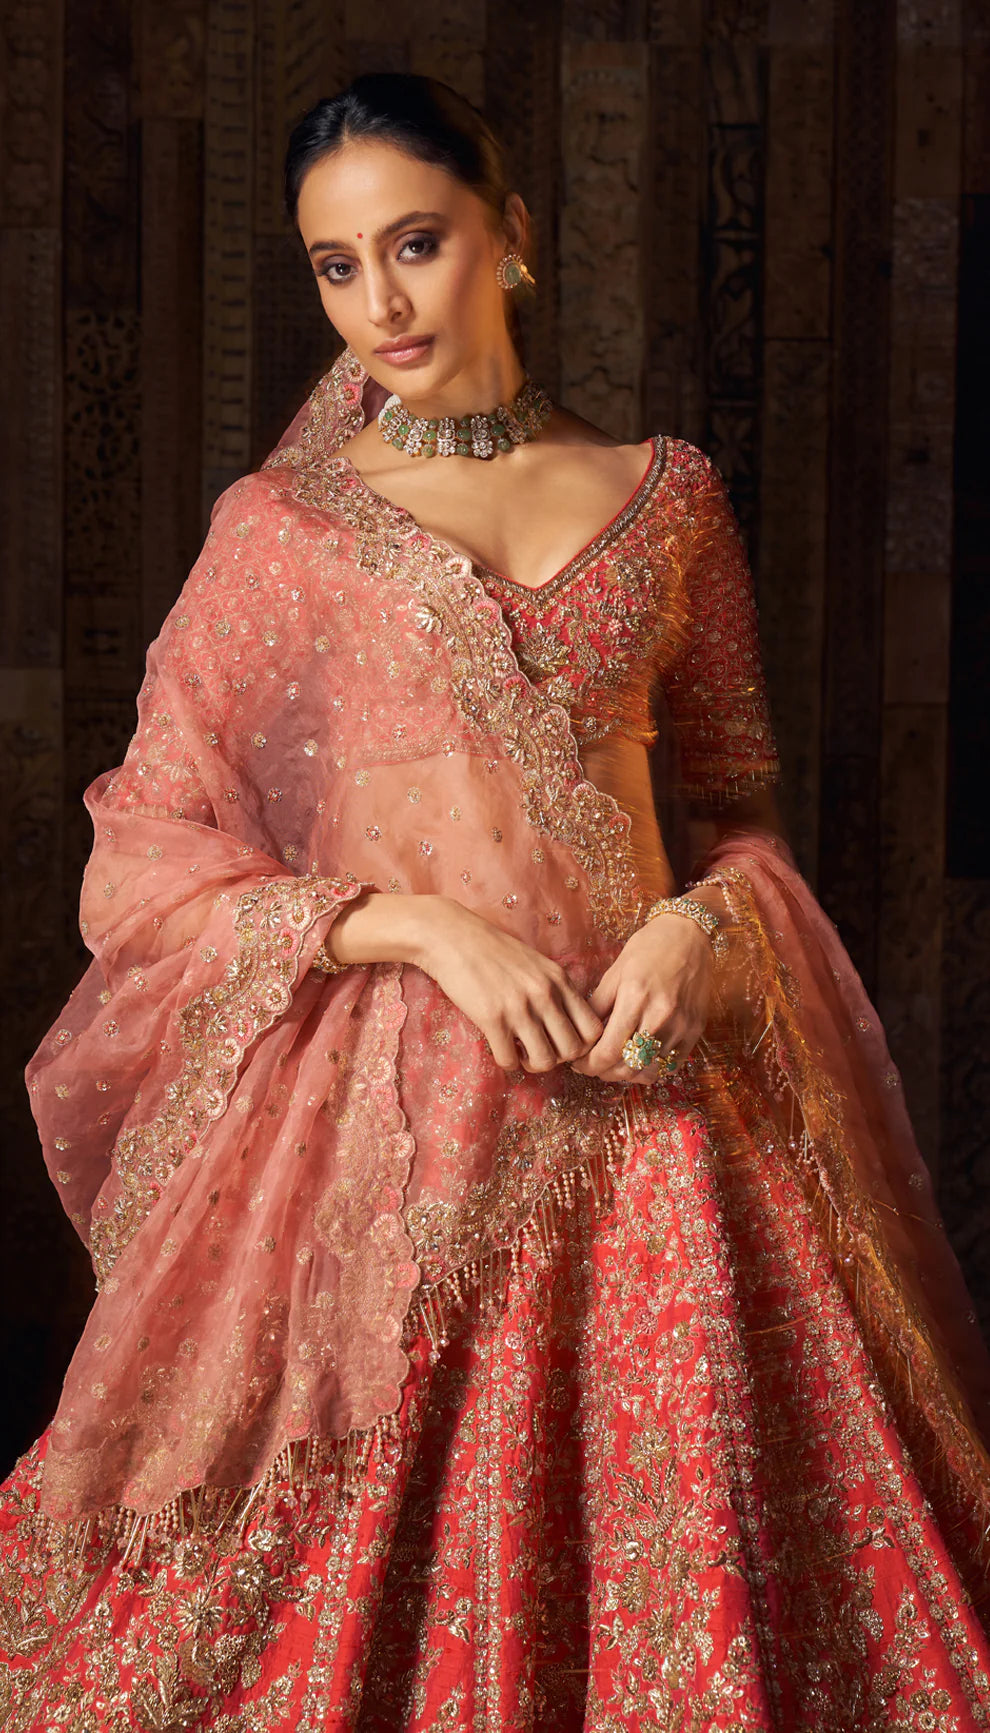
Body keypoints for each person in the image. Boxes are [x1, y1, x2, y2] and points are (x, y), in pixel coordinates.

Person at [2, 70, 990, 1732]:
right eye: (335, 267)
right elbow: (146, 841)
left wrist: (700, 920)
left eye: (415, 244)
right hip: (388, 1118)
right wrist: (414, 925)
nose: (379, 302)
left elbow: (739, 817)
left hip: (655, 1086)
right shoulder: (279, 534)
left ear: (510, 236)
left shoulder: (665, 498)